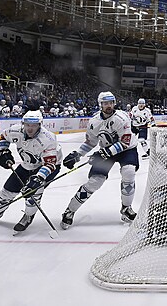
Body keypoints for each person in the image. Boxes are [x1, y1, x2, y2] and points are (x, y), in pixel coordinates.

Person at [0, 110, 63, 234]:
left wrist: (38, 179)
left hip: (48, 166)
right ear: (23, 124)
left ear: (40, 125)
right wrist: (3, 151)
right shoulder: (15, 130)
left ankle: (28, 216)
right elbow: (4, 136)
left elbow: (50, 164)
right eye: (27, 125)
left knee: (33, 193)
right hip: (27, 164)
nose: (30, 129)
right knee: (7, 191)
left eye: (33, 125)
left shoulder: (48, 138)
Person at [60, 91, 139, 229]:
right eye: (105, 103)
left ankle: (126, 208)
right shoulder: (94, 122)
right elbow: (90, 142)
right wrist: (77, 154)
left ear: (114, 103)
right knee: (95, 182)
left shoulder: (122, 118)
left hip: (126, 150)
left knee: (129, 172)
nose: (109, 106)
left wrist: (104, 153)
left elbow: (125, 142)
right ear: (100, 105)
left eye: (111, 103)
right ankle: (70, 210)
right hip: (106, 151)